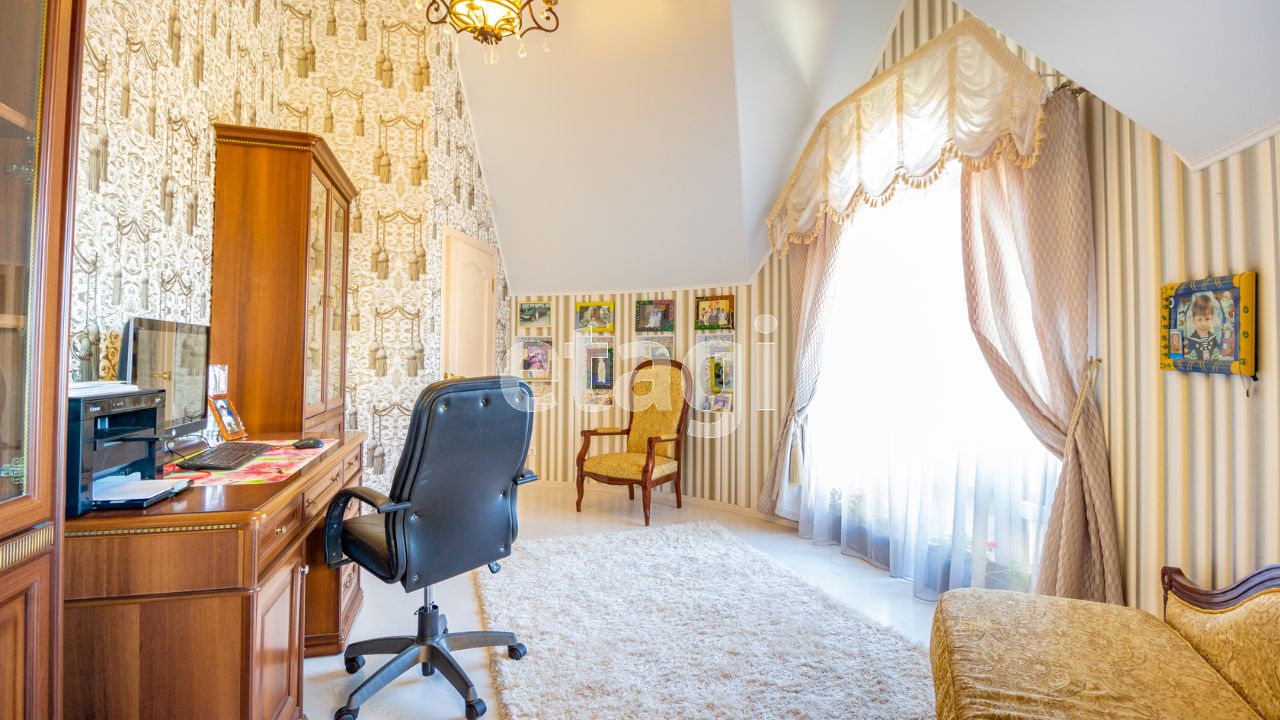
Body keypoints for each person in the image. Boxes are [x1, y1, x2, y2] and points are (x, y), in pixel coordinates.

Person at [1183, 294, 1220, 361]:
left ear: (1212, 318)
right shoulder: (1190, 341)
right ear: (1194, 320)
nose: (1203, 324)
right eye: (1199, 319)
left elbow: (1218, 355)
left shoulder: (1213, 339)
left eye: (1207, 319)